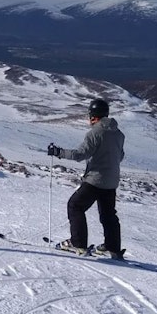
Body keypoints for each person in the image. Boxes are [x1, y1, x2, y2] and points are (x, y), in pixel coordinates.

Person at [47, 98, 125, 259]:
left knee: (75, 206)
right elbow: (120, 156)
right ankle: (113, 248)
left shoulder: (95, 132)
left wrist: (58, 152)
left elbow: (80, 155)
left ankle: (78, 243)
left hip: (95, 180)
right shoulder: (118, 134)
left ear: (93, 116)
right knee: (108, 215)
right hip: (111, 181)